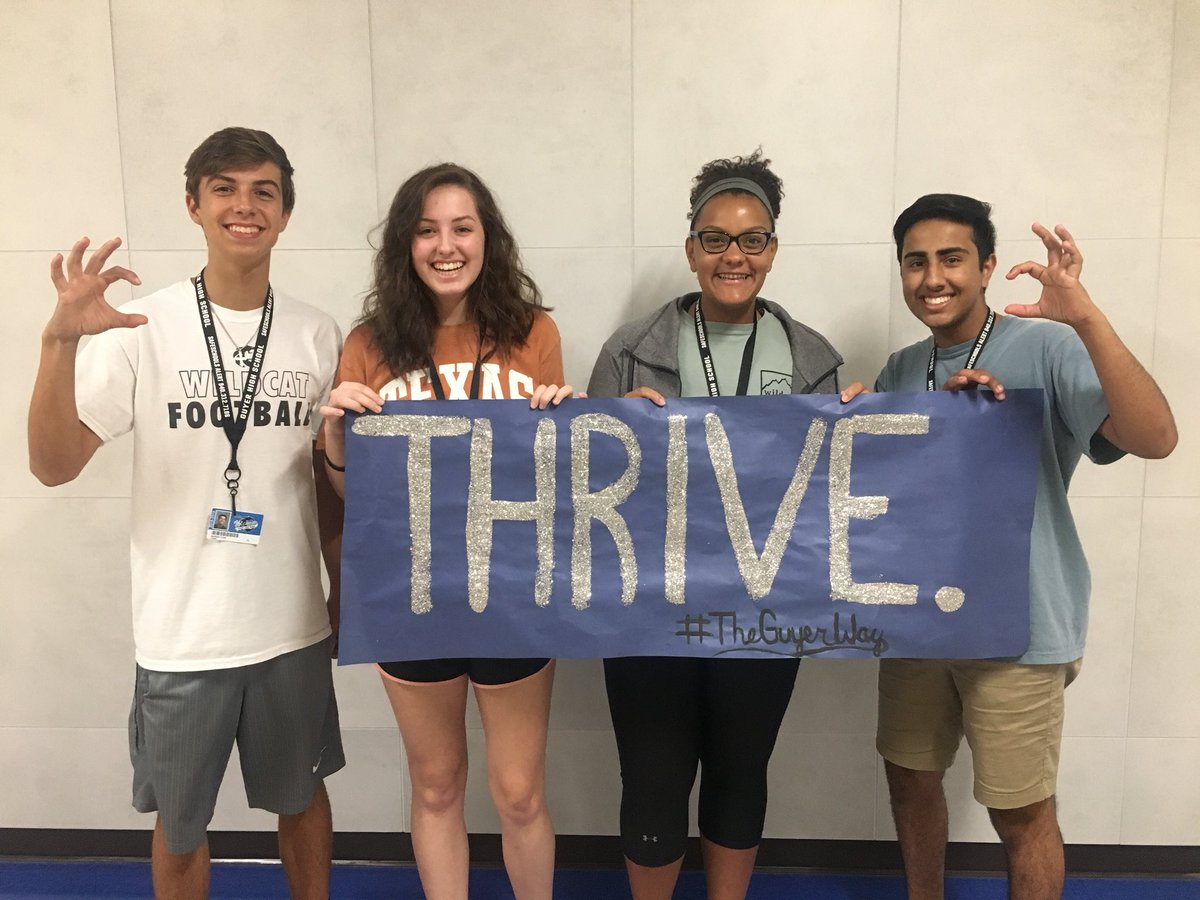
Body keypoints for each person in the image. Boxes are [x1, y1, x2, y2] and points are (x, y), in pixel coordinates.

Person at [27, 127, 345, 900]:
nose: (245, 206)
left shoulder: (317, 333)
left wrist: (341, 593)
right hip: (182, 635)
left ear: (286, 212)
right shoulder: (141, 328)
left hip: (291, 627)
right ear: (194, 205)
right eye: (224, 189)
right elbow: (53, 465)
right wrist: (58, 342)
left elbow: (326, 480)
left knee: (302, 800)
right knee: (179, 824)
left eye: (264, 191)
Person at [840, 194, 1176, 899]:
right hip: (919, 622)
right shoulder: (902, 368)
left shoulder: (1049, 346)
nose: (933, 277)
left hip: (1018, 627)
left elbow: (1155, 437)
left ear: (988, 266)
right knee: (909, 780)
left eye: (952, 259)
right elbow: (894, 501)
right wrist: (855, 430)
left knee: (1020, 811)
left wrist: (1085, 318)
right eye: (915, 262)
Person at [587, 149, 843, 900]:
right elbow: (582, 486)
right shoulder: (630, 350)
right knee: (653, 777)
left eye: (752, 239)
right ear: (692, 248)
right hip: (648, 608)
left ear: (773, 248)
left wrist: (856, 427)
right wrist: (609, 428)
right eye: (716, 238)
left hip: (766, 607)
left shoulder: (812, 358)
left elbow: (827, 494)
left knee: (740, 769)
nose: (735, 255)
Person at [320, 163, 571, 900]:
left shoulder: (533, 333)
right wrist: (335, 439)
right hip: (411, 595)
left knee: (519, 791)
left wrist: (566, 423)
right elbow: (353, 495)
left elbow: (552, 479)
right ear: (406, 243)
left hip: (513, 591)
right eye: (427, 230)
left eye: (462, 228)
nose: (446, 245)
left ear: (488, 238)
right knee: (436, 785)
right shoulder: (369, 343)